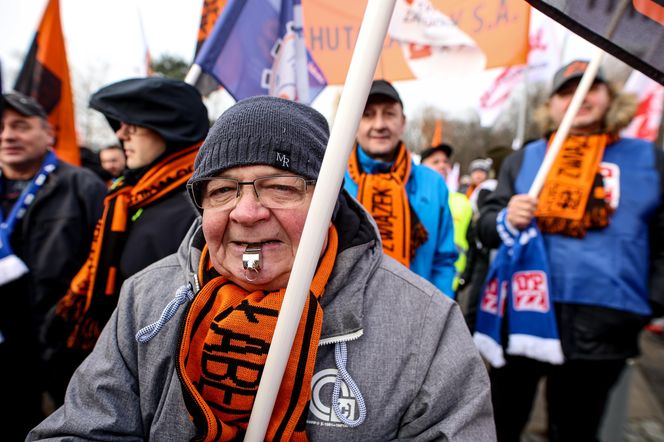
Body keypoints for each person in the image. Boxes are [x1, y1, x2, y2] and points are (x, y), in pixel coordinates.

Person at [30, 96, 495, 441]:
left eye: (280, 187)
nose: (247, 213)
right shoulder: (146, 300)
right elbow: (81, 430)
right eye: (223, 191)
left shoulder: (426, 323)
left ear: (328, 203)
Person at [477, 59, 664, 442]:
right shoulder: (525, 158)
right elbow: (484, 225)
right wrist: (506, 218)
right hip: (523, 315)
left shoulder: (649, 159)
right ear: (552, 105)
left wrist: (650, 304)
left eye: (591, 87)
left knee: (577, 429)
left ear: (611, 98)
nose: (579, 98)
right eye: (567, 91)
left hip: (605, 321)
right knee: (499, 424)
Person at [44, 77, 210, 405]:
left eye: (134, 125)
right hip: (114, 366)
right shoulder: (129, 196)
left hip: (160, 386)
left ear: (171, 128)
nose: (121, 134)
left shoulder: (198, 208)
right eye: (120, 124)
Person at [0, 92, 107, 439]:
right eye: (1, 128)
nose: (7, 136)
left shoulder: (82, 186)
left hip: (65, 351)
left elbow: (106, 265)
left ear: (48, 134)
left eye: (20, 126)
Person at [344, 80, 457, 297]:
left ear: (403, 122)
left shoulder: (433, 184)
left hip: (418, 315)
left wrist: (437, 315)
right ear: (355, 122)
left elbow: (443, 261)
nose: (379, 125)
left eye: (389, 114)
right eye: (367, 114)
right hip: (350, 319)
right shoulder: (333, 183)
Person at [420, 143, 473, 293]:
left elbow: (471, 242)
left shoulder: (462, 201)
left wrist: (465, 275)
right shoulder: (409, 197)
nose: (442, 166)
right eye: (435, 162)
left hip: (448, 286)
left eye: (445, 162)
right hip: (415, 284)